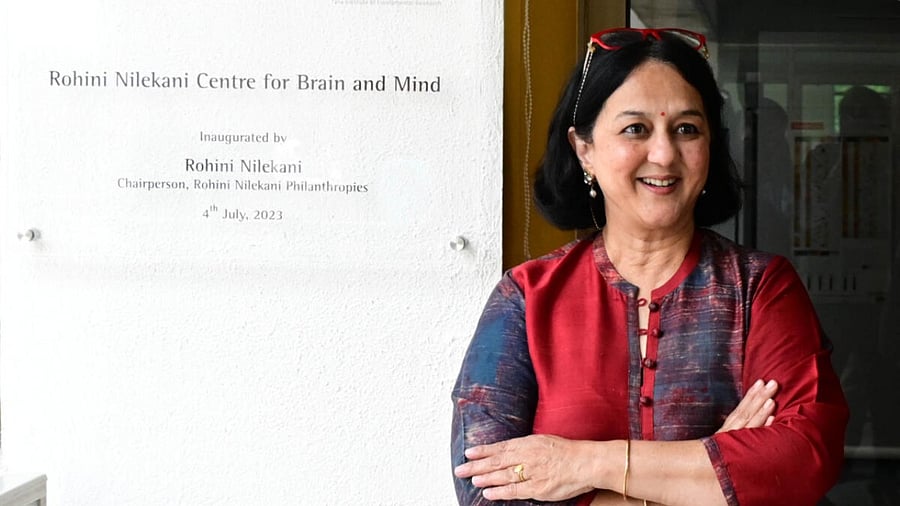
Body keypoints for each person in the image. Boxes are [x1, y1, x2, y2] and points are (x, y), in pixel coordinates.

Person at [451, 28, 848, 506]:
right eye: (635, 128)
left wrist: (581, 464)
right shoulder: (527, 297)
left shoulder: (760, 288)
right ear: (585, 150)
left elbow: (802, 460)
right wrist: (715, 468)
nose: (663, 154)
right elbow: (485, 489)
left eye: (687, 129)